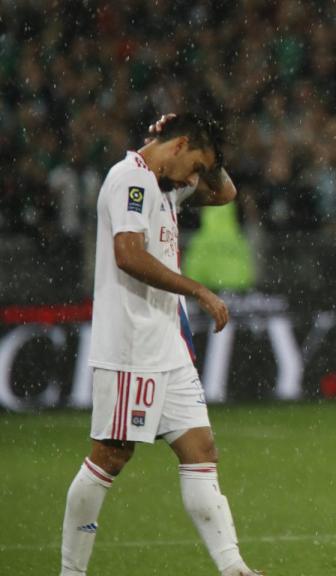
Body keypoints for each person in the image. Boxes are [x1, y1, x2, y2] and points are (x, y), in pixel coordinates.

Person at [60, 113, 262, 576]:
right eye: (195, 165)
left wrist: (211, 151)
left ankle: (234, 569)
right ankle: (71, 573)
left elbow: (226, 192)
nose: (196, 179)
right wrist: (197, 289)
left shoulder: (166, 185)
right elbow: (128, 254)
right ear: (178, 144)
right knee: (111, 456)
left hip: (167, 345)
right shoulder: (130, 179)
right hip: (131, 344)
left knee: (201, 450)